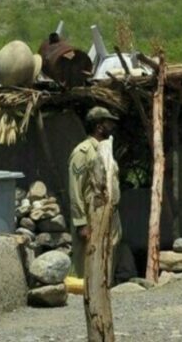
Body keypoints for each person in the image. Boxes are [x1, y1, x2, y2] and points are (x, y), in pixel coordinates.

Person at [68, 106, 122, 280]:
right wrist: (81, 223)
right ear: (99, 127)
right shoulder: (83, 152)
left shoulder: (105, 149)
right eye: (108, 123)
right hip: (92, 217)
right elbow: (75, 189)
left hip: (109, 214)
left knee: (105, 264)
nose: (112, 127)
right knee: (87, 267)